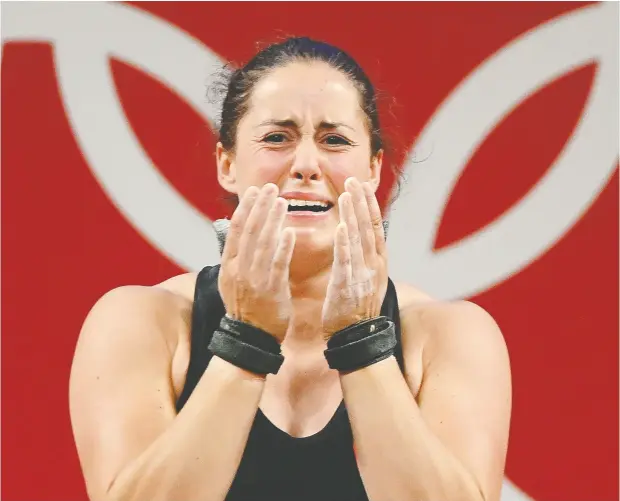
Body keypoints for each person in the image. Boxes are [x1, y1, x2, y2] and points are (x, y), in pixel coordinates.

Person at [69, 37, 512, 501]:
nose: (305, 165)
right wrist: (246, 341)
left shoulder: (452, 334)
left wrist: (362, 343)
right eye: (276, 138)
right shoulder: (140, 322)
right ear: (227, 163)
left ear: (375, 168)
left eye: (335, 140)